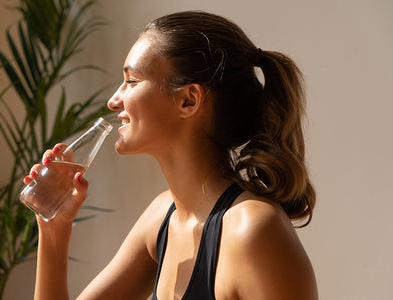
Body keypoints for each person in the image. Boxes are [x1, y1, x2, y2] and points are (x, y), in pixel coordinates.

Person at [24, 10, 318, 300]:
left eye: (132, 81)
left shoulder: (253, 231)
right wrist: (53, 228)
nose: (113, 101)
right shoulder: (161, 217)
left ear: (188, 100)